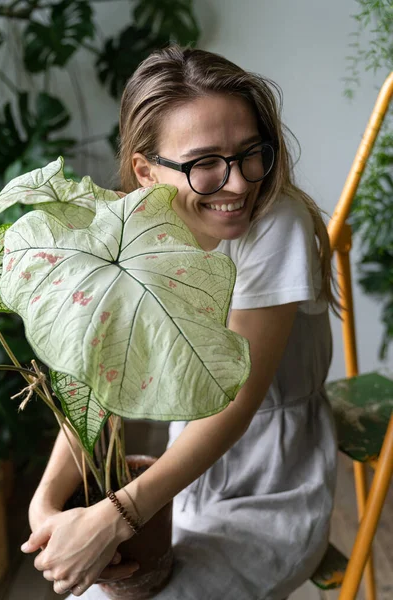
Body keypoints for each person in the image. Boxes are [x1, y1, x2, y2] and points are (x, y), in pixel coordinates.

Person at [22, 45, 338, 600]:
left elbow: (236, 406)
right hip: (181, 482)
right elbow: (99, 375)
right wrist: (46, 501)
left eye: (249, 154)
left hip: (271, 488)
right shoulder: (136, 236)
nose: (238, 183)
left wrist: (114, 516)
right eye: (204, 164)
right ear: (145, 171)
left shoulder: (275, 222)